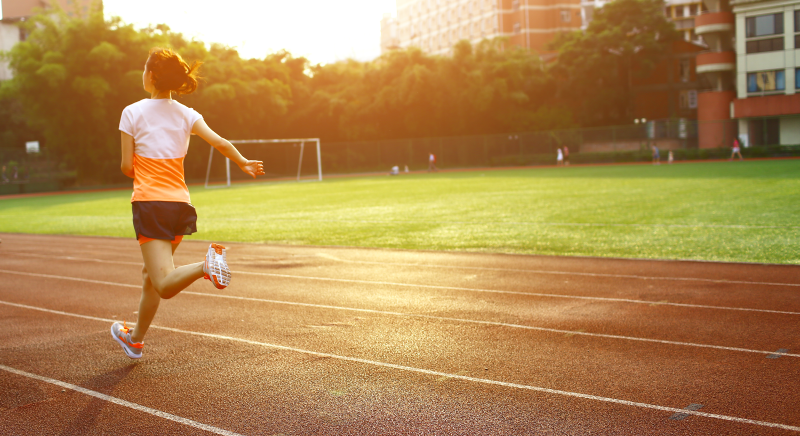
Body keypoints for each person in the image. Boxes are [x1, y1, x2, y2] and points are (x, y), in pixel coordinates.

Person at [111, 47, 265, 359]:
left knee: (164, 283)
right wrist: (243, 162)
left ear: (151, 75)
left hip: (151, 203)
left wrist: (144, 162)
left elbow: (127, 167)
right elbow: (219, 142)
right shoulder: (186, 113)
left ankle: (204, 266)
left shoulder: (131, 112)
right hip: (179, 205)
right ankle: (135, 339)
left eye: (143, 69)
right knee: (150, 277)